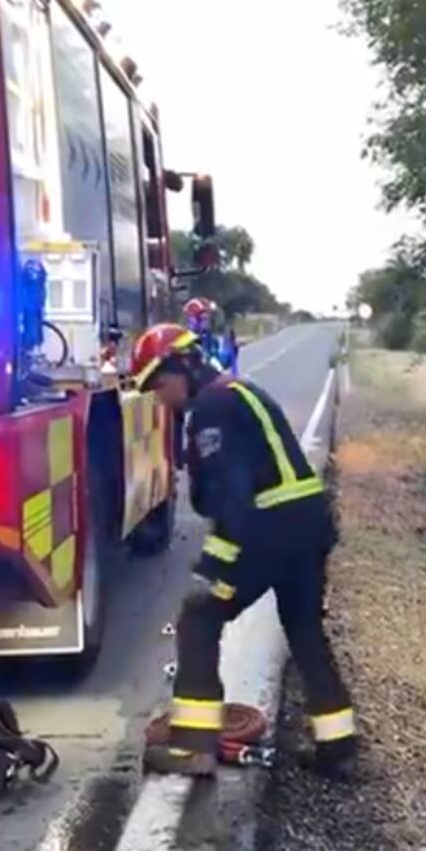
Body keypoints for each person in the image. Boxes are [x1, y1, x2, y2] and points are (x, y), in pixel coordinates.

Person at [132, 324, 356, 779]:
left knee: (198, 618)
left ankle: (192, 750)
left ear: (182, 368)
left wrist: (214, 569)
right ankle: (339, 750)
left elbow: (233, 494)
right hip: (308, 525)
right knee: (305, 631)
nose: (160, 400)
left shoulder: (212, 407)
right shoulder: (236, 390)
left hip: (269, 528)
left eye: (159, 387)